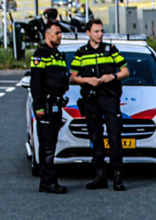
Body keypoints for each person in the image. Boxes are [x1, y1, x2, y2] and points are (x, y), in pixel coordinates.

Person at [70, 19, 130, 191]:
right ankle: (99, 175)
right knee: (95, 138)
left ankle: (118, 176)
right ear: (88, 33)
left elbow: (126, 71)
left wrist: (113, 76)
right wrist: (86, 80)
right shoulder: (81, 53)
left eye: (102, 31)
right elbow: (72, 77)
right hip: (91, 99)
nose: (100, 34)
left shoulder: (110, 50)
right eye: (96, 31)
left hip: (109, 98)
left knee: (114, 136)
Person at [30, 20, 70, 194]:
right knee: (46, 146)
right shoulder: (41, 54)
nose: (60, 36)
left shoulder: (59, 55)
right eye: (57, 33)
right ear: (48, 35)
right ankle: (48, 182)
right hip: (45, 106)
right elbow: (36, 82)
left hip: (56, 104)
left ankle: (48, 181)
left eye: (60, 33)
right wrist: (38, 106)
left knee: (51, 144)